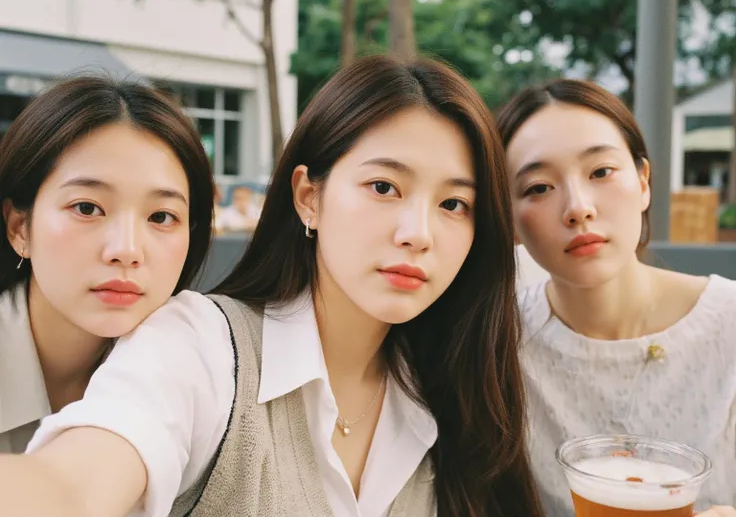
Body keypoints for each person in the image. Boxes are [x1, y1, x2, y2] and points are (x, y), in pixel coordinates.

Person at [0, 55, 543, 517]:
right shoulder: (202, 345)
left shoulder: (460, 389)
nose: (417, 234)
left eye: (453, 204)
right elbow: (75, 482)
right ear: (308, 196)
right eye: (384, 186)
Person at [497, 78, 736, 517]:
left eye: (600, 172)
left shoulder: (730, 326)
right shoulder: (498, 347)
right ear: (509, 217)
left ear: (643, 182)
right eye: (538, 188)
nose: (578, 206)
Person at [0, 76, 214, 453]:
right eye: (87, 208)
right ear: (20, 227)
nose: (127, 250)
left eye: (162, 217)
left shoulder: (201, 367)